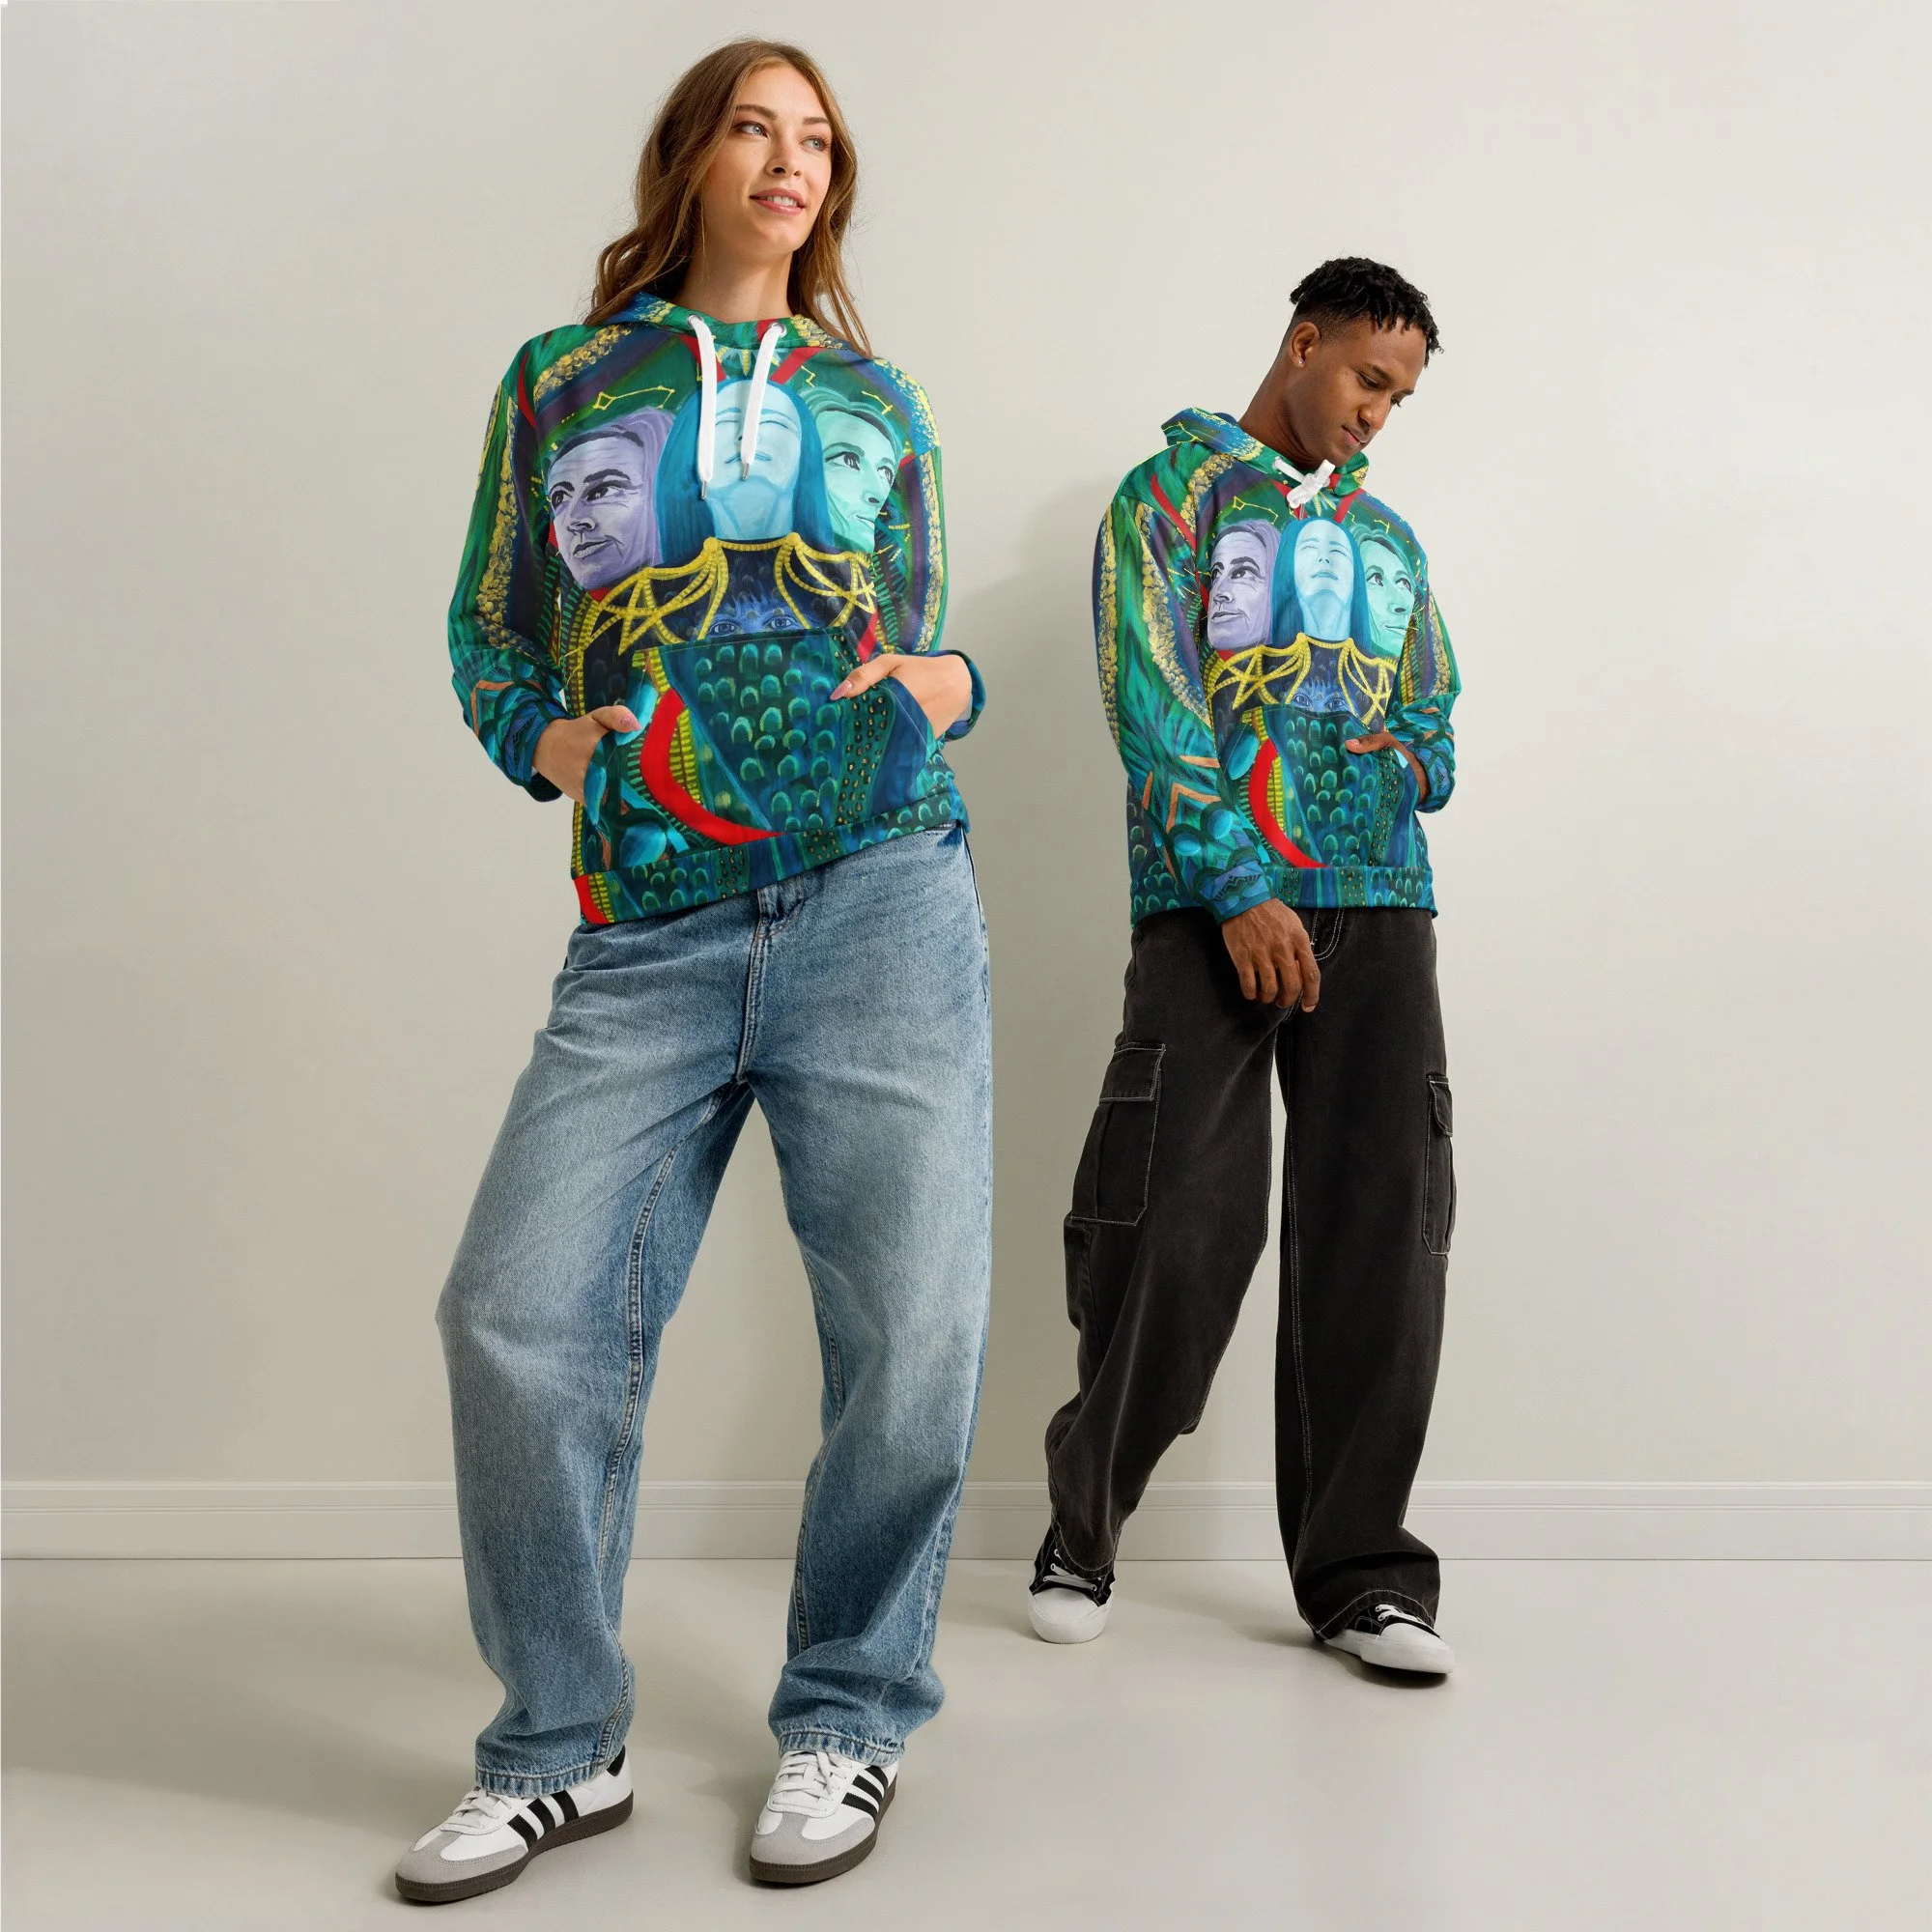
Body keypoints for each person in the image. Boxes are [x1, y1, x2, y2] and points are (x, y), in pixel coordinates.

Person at [400, 40, 989, 1903]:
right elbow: (493, 621)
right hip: (649, 920)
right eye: (756, 126)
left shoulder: (877, 397)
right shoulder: (562, 381)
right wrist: (544, 739)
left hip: (882, 891)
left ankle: (852, 1710)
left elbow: (920, 628)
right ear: (691, 156)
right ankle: (560, 1746)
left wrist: (955, 683)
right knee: (513, 1311)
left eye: (818, 140)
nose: (791, 161)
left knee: (913, 1326)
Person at [1031, 258, 1463, 1680]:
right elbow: (1149, 699)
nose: (1377, 414)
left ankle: (1360, 1576)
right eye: (1366, 379)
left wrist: (1410, 756)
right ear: (1302, 342)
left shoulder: (1386, 537)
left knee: (1383, 1229)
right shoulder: (1168, 499)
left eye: (1400, 397)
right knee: (1177, 1217)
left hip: (1380, 900)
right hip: (1215, 908)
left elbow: (1435, 700)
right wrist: (1235, 886)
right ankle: (1085, 1525)